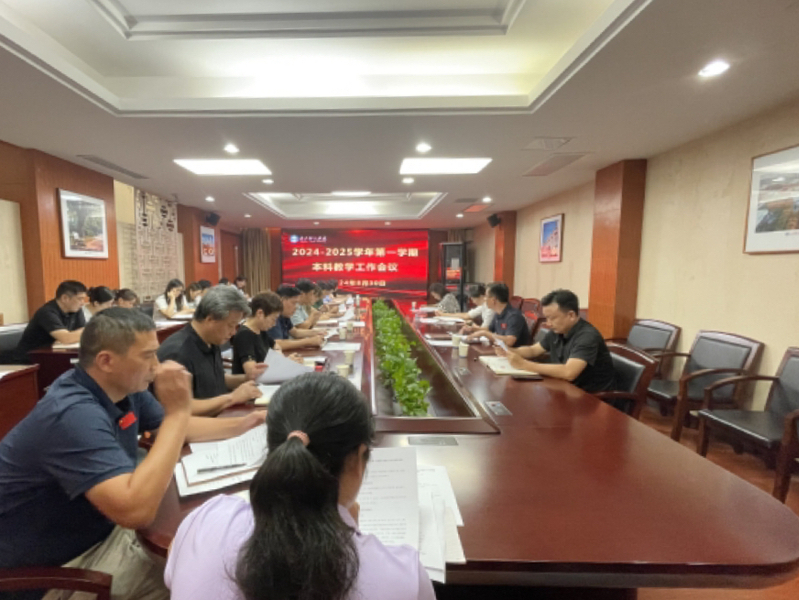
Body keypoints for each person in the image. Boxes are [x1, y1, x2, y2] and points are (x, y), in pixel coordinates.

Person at [0, 308, 265, 600]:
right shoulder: (72, 414)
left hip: (102, 529)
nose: (157, 366)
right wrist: (178, 412)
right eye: (148, 356)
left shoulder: (125, 388)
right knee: (208, 579)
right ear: (106, 361)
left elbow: (178, 428)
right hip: (54, 569)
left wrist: (245, 424)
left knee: (205, 552)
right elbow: (135, 512)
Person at [165, 372, 435, 600]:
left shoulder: (205, 520)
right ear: (358, 460)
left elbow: (176, 565)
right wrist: (348, 531)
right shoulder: (405, 579)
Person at [157, 287, 265, 416]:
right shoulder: (177, 353)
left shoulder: (211, 339)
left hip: (221, 414)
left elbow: (216, 379)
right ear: (210, 320)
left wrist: (248, 378)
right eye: (230, 325)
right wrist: (232, 398)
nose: (233, 332)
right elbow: (178, 409)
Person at [497, 289, 616, 393]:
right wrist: (510, 351)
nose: (548, 323)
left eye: (552, 318)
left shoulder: (587, 336)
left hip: (590, 398)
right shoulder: (558, 330)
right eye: (546, 318)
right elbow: (533, 350)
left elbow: (569, 372)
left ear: (571, 315)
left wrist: (524, 364)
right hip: (565, 388)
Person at [231, 292, 302, 378]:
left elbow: (276, 346)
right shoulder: (244, 335)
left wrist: (282, 360)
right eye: (273, 319)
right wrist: (284, 363)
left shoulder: (261, 331)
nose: (274, 324)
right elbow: (252, 372)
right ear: (260, 313)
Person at [13, 280, 87, 362]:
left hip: (54, 354)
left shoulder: (75, 309)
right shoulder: (47, 312)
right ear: (65, 298)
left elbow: (83, 331)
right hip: (30, 358)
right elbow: (66, 338)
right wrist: (71, 336)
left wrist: (74, 335)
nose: (83, 303)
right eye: (80, 299)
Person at [465, 282, 530, 348]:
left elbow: (509, 341)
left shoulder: (514, 316)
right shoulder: (497, 313)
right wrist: (473, 329)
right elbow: (488, 330)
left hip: (514, 352)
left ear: (493, 300)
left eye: (486, 296)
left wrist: (484, 333)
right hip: (500, 350)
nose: (484, 299)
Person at [267, 285, 325, 351]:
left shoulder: (284, 315)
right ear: (282, 300)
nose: (296, 307)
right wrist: (308, 341)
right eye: (294, 303)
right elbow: (277, 343)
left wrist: (317, 332)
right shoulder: (272, 316)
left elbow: (295, 332)